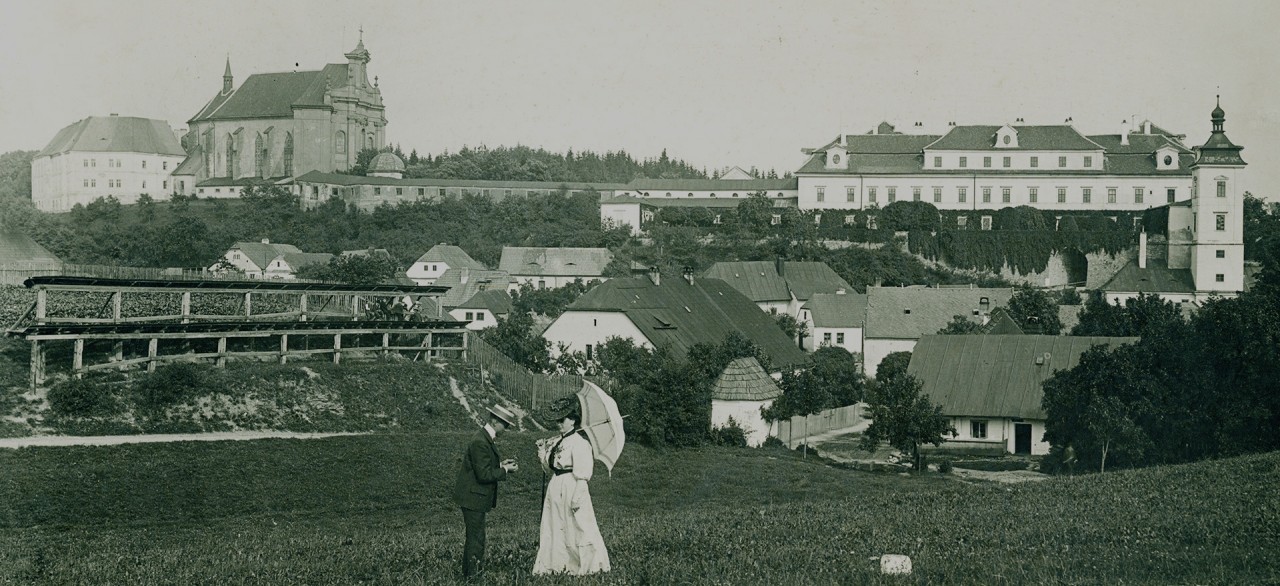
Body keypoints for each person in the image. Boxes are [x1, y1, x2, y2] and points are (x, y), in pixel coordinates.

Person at [533, 398, 611, 575]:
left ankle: (590, 565)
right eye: (557, 420)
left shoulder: (580, 443)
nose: (558, 423)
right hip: (556, 486)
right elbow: (548, 469)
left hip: (573, 485)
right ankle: (558, 566)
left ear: (573, 421)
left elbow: (583, 474)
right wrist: (542, 451)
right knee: (555, 525)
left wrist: (577, 497)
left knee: (578, 525)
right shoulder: (555, 442)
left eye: (563, 420)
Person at [453, 404, 519, 580]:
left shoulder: (483, 438)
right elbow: (483, 475)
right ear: (495, 421)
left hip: (472, 496)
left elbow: (481, 467)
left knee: (474, 537)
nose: (505, 429)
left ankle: (469, 574)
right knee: (477, 538)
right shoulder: (480, 442)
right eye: (505, 425)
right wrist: (505, 470)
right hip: (473, 497)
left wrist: (500, 464)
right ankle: (474, 578)